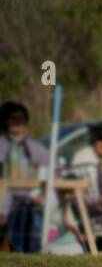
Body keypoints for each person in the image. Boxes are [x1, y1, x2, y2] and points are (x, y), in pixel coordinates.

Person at [0, 103, 50, 252]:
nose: (17, 123)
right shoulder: (1, 146)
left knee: (30, 215)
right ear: (5, 121)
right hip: (4, 200)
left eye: (20, 119)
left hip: (30, 200)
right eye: (12, 118)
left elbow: (52, 172)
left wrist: (42, 194)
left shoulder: (36, 148)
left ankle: (29, 252)